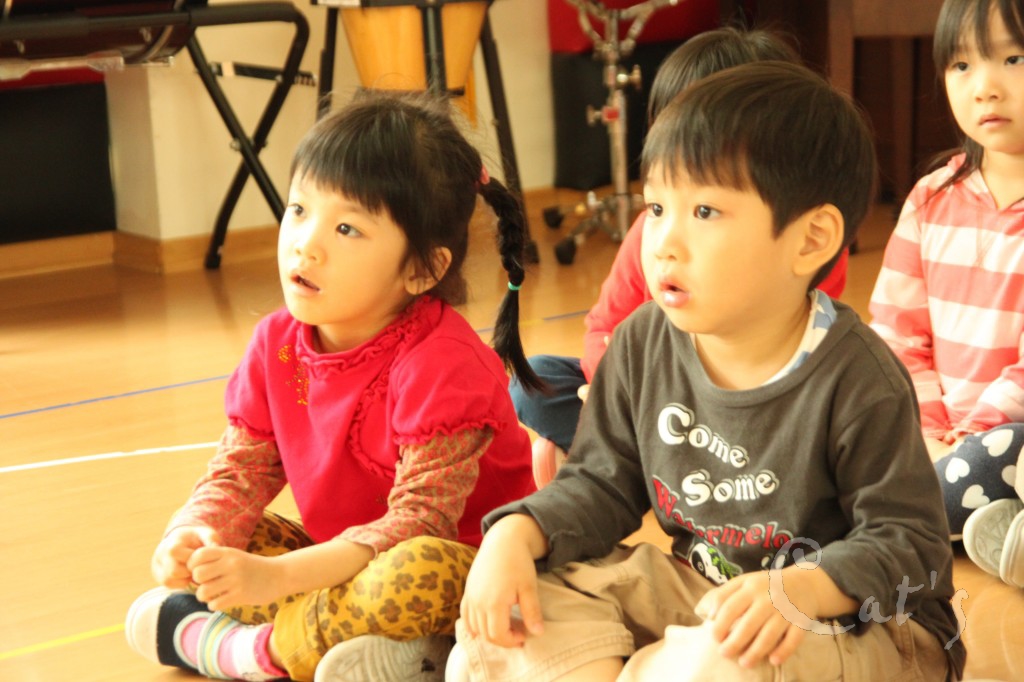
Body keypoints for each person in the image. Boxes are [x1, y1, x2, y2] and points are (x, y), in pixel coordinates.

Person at [448, 62, 965, 682]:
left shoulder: (858, 378)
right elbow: (601, 484)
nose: (663, 241)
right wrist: (516, 533)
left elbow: (911, 545)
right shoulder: (641, 343)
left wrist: (803, 589)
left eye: (704, 212)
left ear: (810, 240)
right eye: (656, 207)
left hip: (863, 623)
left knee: (724, 659)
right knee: (527, 600)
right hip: (712, 595)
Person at [124, 92, 541, 682]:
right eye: (299, 209)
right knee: (232, 543)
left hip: (467, 573)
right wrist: (192, 533)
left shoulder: (442, 363)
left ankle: (257, 652)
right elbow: (240, 470)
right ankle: (373, 650)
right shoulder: (278, 344)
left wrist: (280, 580)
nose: (306, 242)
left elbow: (420, 525)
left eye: (346, 227)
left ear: (422, 269)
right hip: (341, 565)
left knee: (415, 571)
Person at [514, 27, 850, 487]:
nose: (681, 154)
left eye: (705, 210)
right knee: (536, 378)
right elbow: (604, 325)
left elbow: (801, 359)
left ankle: (616, 470)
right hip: (651, 404)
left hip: (746, 415)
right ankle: (635, 467)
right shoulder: (651, 232)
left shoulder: (800, 243)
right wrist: (611, 391)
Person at [868, 0, 1024, 584]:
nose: (985, 87)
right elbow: (896, 335)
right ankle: (964, 519)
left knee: (1006, 451)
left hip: (1004, 439)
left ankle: (909, 520)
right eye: (961, 65)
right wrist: (930, 434)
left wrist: (969, 441)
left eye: (1014, 59)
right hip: (931, 440)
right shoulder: (931, 198)